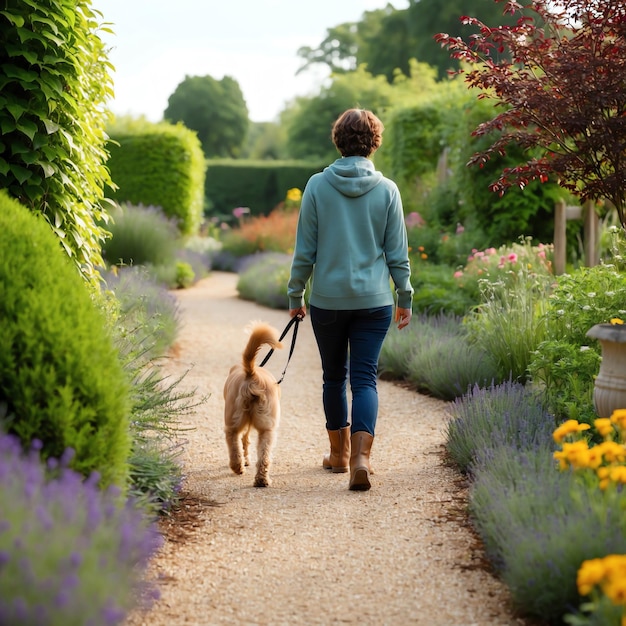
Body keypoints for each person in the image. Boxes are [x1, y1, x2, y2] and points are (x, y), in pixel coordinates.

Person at [287, 108, 413, 491]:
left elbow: (304, 250)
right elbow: (398, 253)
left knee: (333, 377)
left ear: (338, 140)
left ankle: (339, 455)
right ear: (374, 141)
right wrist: (404, 295)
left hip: (328, 300)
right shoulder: (387, 189)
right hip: (374, 301)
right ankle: (362, 458)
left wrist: (296, 294)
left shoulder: (316, 186)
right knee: (365, 380)